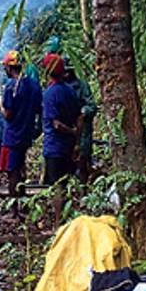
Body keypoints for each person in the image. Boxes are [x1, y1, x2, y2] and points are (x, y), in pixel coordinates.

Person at [39, 52, 82, 223]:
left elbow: (56, 124)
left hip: (55, 147)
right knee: (67, 184)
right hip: (69, 146)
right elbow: (80, 117)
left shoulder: (50, 93)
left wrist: (71, 132)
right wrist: (77, 139)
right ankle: (68, 218)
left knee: (56, 186)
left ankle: (58, 222)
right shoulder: (70, 91)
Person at [0, 50, 43, 199]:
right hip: (27, 133)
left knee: (13, 171)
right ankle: (22, 201)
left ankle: (15, 209)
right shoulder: (34, 85)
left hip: (13, 135)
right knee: (21, 167)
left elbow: (8, 115)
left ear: (9, 68)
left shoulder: (11, 87)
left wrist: (0, 105)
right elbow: (39, 109)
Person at [65, 60, 97, 182]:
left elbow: (92, 106)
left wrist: (83, 113)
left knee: (82, 161)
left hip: (83, 131)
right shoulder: (61, 86)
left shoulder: (82, 86)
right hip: (68, 130)